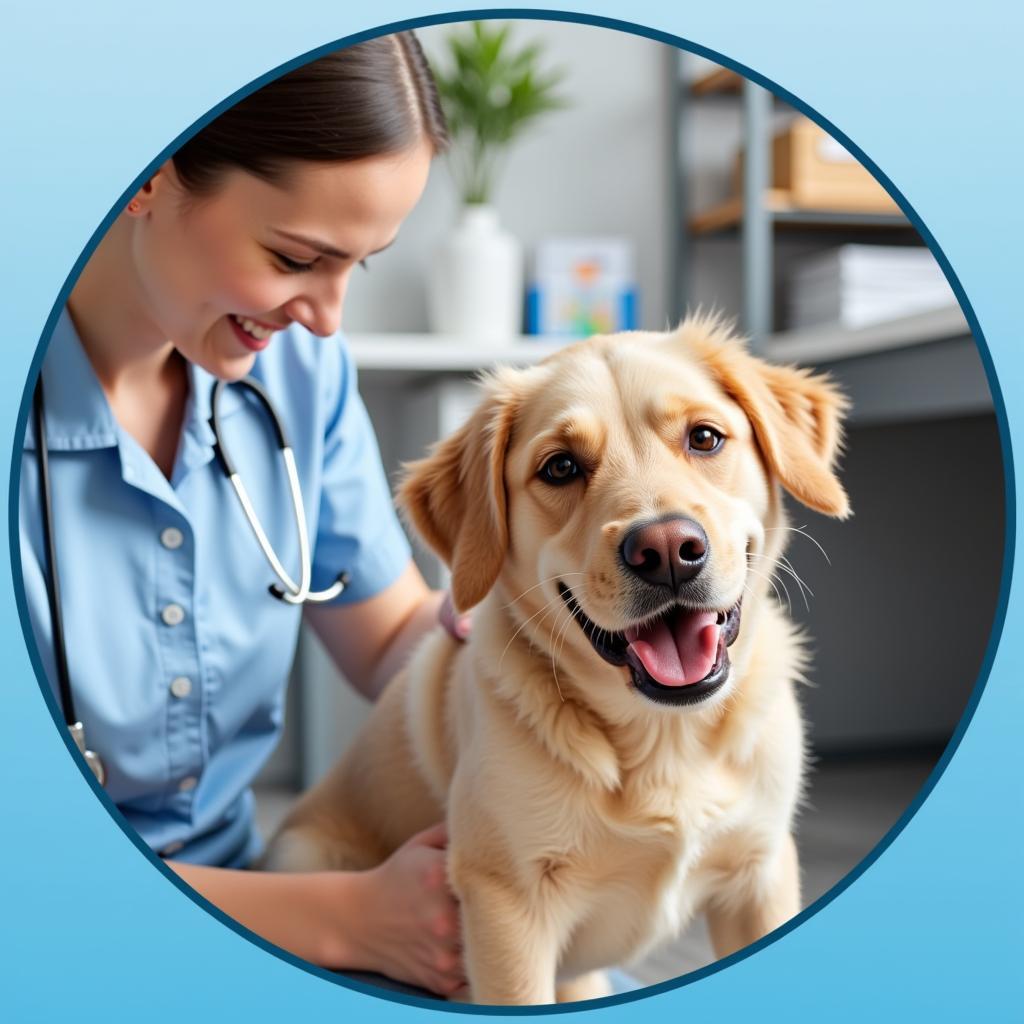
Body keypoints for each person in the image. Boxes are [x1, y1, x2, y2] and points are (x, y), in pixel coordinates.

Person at [19, 32, 470, 997]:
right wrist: (350, 919)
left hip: (259, 900)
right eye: (297, 256)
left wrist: (488, 644)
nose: (327, 315)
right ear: (146, 172)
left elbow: (387, 634)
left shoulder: (298, 378)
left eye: (361, 265)